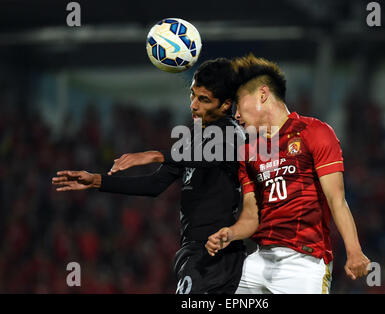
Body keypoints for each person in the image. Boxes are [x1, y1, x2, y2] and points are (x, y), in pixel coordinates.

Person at [52, 58, 247, 294]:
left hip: (217, 254)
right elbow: (154, 184)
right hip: (200, 252)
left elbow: (212, 155)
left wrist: (155, 155)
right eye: (192, 95)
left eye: (203, 99)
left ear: (226, 104)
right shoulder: (192, 140)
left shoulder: (233, 134)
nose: (194, 106)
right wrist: (97, 180)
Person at [205, 54, 370, 294]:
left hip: (304, 262)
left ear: (262, 94)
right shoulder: (248, 151)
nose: (236, 116)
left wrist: (354, 250)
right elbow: (252, 216)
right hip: (260, 260)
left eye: (238, 105)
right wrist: (230, 233)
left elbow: (337, 200)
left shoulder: (314, 132)